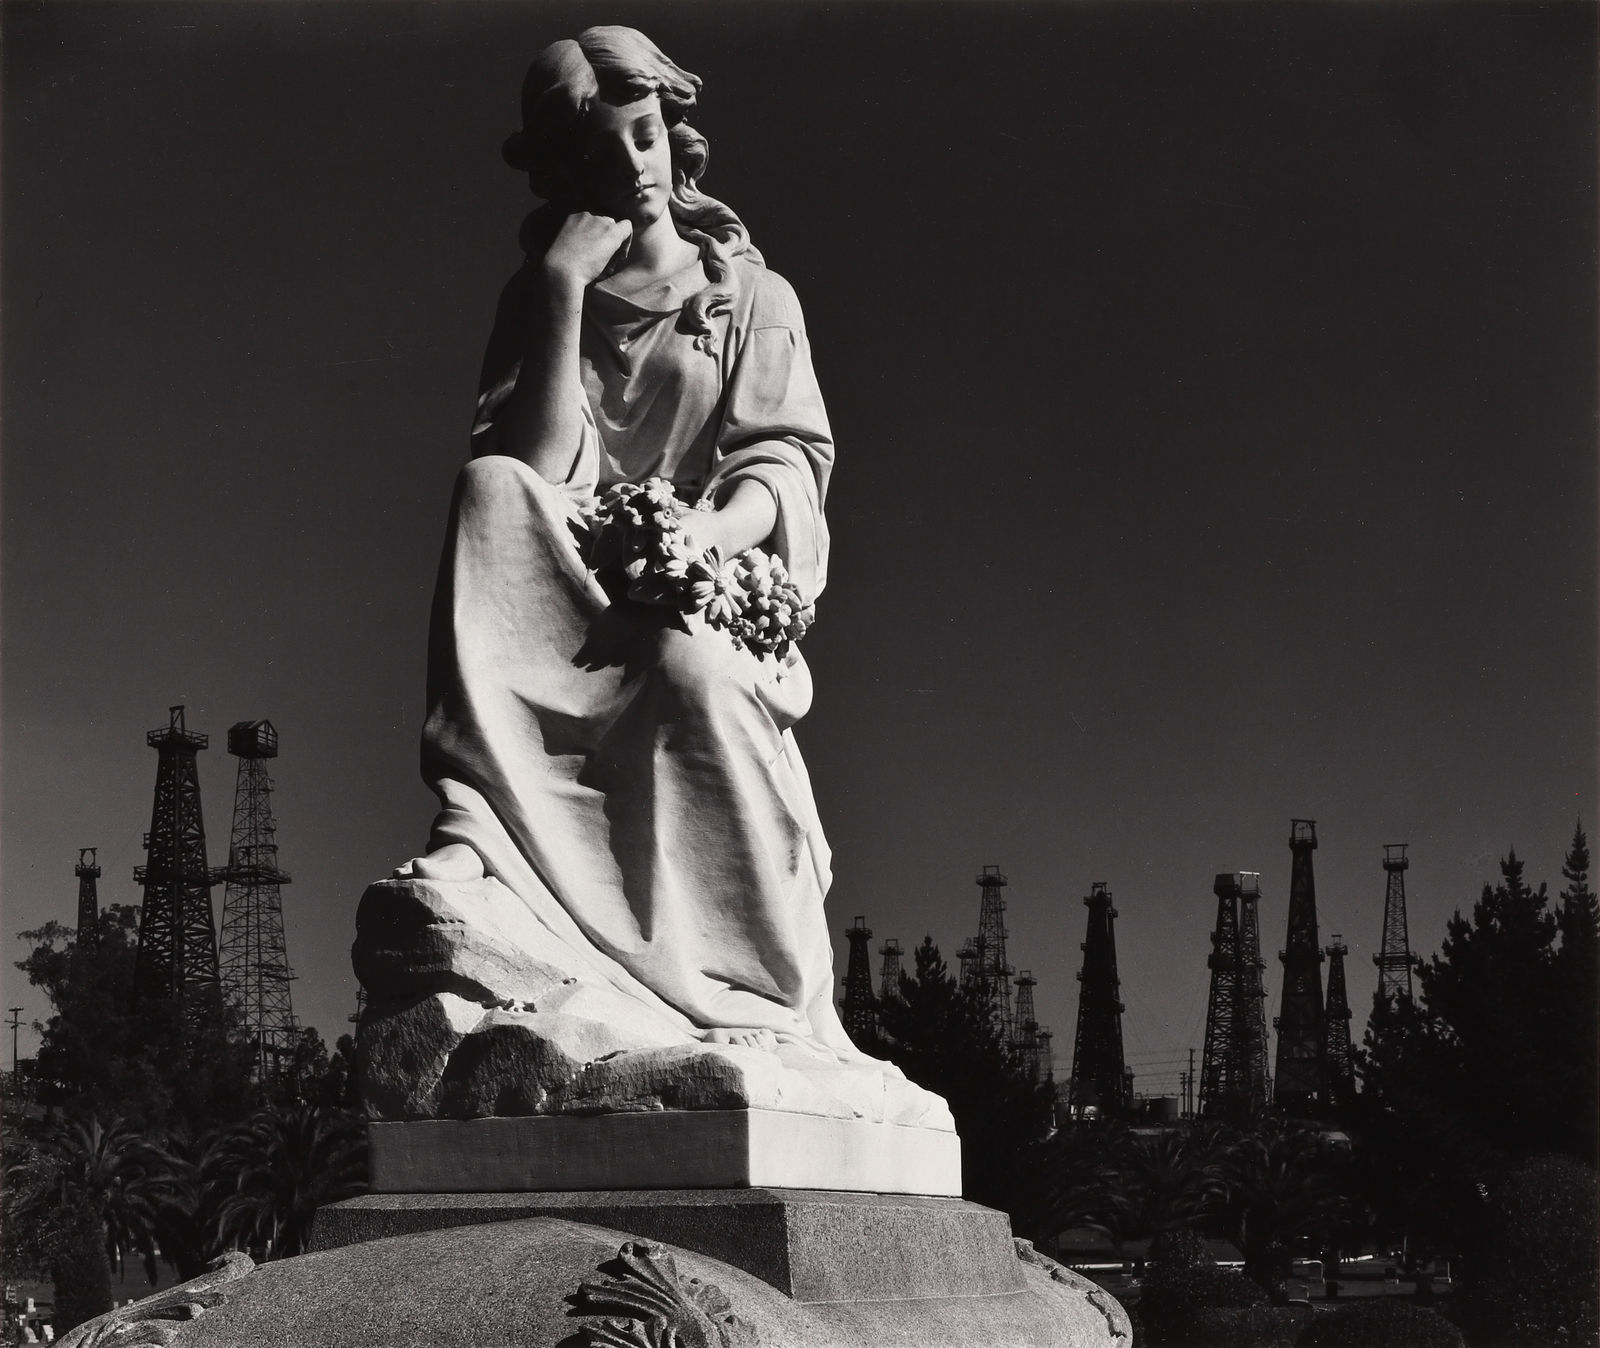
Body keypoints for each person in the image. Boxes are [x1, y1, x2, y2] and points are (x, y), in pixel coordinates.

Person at [407, 27, 866, 1064]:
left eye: (647, 137)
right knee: (485, 485)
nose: (634, 169)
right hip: (568, 578)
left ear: (675, 137)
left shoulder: (751, 297)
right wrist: (563, 292)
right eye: (601, 155)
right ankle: (483, 827)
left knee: (681, 664)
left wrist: (701, 537)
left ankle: (737, 983)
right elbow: (537, 473)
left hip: (705, 584)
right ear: (564, 174)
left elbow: (781, 466)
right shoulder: (536, 301)